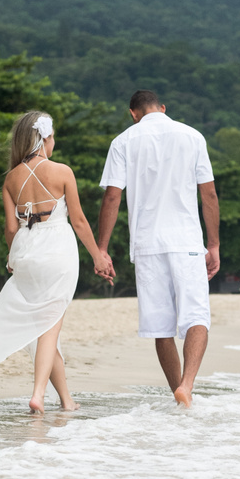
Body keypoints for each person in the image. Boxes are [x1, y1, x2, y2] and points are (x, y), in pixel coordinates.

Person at [0, 110, 113, 412]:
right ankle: (38, 394)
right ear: (45, 138)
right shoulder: (62, 172)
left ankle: (66, 400)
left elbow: (10, 228)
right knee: (50, 327)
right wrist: (98, 256)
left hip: (27, 252)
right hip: (57, 250)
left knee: (43, 327)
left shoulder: (11, 178)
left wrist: (12, 257)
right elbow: (80, 221)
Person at [97, 90, 220, 406]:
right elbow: (209, 195)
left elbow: (112, 197)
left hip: (148, 244)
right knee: (197, 317)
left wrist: (102, 249)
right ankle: (188, 386)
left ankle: (177, 391)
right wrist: (214, 244)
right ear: (163, 108)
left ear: (133, 113)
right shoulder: (193, 137)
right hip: (187, 242)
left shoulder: (124, 141)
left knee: (161, 326)